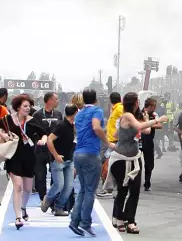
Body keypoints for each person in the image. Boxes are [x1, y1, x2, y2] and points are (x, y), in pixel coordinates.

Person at [110, 93, 166, 234]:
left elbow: (145, 130)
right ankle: (118, 217)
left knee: (134, 190)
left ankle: (129, 220)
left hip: (134, 158)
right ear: (134, 102)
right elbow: (139, 126)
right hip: (121, 159)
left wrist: (146, 119)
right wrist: (156, 120)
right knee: (123, 190)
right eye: (138, 101)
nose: (139, 103)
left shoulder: (133, 117)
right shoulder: (127, 115)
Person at [0, 94, 47, 230]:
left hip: (29, 158)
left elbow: (44, 134)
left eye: (29, 106)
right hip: (13, 157)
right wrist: (3, 135)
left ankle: (23, 208)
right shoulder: (8, 119)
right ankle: (18, 216)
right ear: (18, 107)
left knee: (28, 189)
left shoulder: (33, 121)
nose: (28, 108)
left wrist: (43, 140)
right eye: (25, 106)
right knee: (18, 186)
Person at [70, 88, 113, 238]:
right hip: (90, 153)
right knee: (90, 191)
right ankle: (85, 223)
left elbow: (77, 129)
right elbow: (95, 127)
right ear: (96, 99)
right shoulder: (97, 111)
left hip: (78, 153)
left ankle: (75, 220)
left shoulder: (80, 113)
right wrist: (107, 141)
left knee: (83, 189)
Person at [43, 105, 77, 216]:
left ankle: (59, 207)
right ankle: (47, 199)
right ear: (75, 113)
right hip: (58, 160)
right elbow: (50, 139)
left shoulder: (73, 126)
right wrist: (55, 155)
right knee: (59, 184)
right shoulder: (61, 125)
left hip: (69, 159)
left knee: (69, 186)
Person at [34, 92, 62, 204]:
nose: (58, 101)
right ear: (49, 100)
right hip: (40, 149)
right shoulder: (37, 115)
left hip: (54, 149)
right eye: (56, 99)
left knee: (56, 176)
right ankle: (42, 198)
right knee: (40, 176)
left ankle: (52, 198)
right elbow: (33, 131)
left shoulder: (59, 114)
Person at [99, 92, 123, 198]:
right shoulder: (114, 110)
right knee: (108, 164)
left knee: (108, 165)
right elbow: (111, 125)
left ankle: (112, 189)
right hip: (111, 141)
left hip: (116, 142)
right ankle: (111, 188)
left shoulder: (119, 109)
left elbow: (124, 122)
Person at [140, 98, 163, 192]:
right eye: (154, 106)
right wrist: (150, 123)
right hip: (139, 140)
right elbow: (138, 124)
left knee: (149, 163)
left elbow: (160, 125)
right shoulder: (139, 113)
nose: (155, 108)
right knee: (136, 162)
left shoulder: (154, 115)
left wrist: (148, 124)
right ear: (150, 106)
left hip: (149, 140)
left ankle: (147, 183)